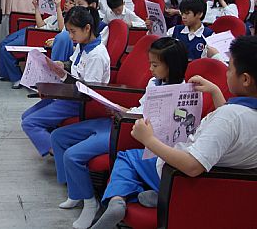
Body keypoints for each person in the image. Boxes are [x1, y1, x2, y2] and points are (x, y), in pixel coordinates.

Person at [91, 36, 257, 229]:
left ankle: (124, 198)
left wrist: (149, 140)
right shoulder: (240, 115)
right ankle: (151, 194)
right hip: (219, 187)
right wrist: (215, 92)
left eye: (229, 69)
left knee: (127, 157)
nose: (226, 73)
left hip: (180, 179)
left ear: (245, 79)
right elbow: (231, 132)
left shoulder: (229, 118)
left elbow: (193, 166)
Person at [50, 38, 187, 229]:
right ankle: (96, 196)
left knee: (77, 155)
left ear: (171, 66)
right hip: (126, 120)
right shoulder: (154, 82)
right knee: (58, 137)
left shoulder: (184, 94)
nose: (150, 69)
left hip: (136, 133)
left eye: (155, 65)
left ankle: (95, 202)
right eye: (150, 64)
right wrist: (120, 108)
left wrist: (129, 116)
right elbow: (141, 107)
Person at [21, 7, 110, 158]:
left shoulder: (97, 55)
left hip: (79, 102)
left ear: (87, 28)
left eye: (73, 31)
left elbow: (89, 91)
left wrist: (61, 84)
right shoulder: (82, 44)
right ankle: (56, 146)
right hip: (69, 93)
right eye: (68, 31)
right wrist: (61, 65)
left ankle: (58, 152)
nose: (70, 36)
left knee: (29, 123)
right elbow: (73, 63)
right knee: (26, 116)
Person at [0, 0, 64, 89]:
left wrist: (58, 8)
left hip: (38, 35)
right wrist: (36, 7)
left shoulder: (67, 17)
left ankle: (16, 78)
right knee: (3, 43)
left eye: (70, 3)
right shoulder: (56, 15)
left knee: (6, 48)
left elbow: (61, 29)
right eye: (66, 2)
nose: (67, 4)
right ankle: (4, 74)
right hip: (34, 29)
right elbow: (40, 24)